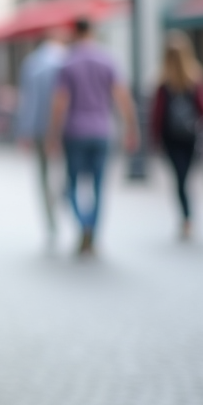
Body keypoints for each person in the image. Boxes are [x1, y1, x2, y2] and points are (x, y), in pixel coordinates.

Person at [48, 17, 139, 256]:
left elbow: (60, 102)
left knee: (71, 187)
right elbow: (122, 97)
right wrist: (132, 127)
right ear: (93, 32)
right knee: (98, 187)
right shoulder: (108, 60)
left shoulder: (68, 63)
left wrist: (52, 134)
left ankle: (84, 226)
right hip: (102, 130)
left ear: (75, 33)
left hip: (75, 132)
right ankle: (93, 232)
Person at [149, 30, 203, 241]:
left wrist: (154, 140)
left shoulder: (163, 81)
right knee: (184, 178)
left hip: (172, 138)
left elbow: (157, 115)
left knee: (180, 178)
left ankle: (186, 217)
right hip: (189, 135)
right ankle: (187, 217)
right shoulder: (195, 78)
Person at [14, 28, 68, 239]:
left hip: (39, 128)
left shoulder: (32, 62)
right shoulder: (67, 60)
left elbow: (28, 100)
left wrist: (24, 130)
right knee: (67, 172)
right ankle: (64, 200)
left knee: (43, 177)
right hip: (65, 129)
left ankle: (51, 220)